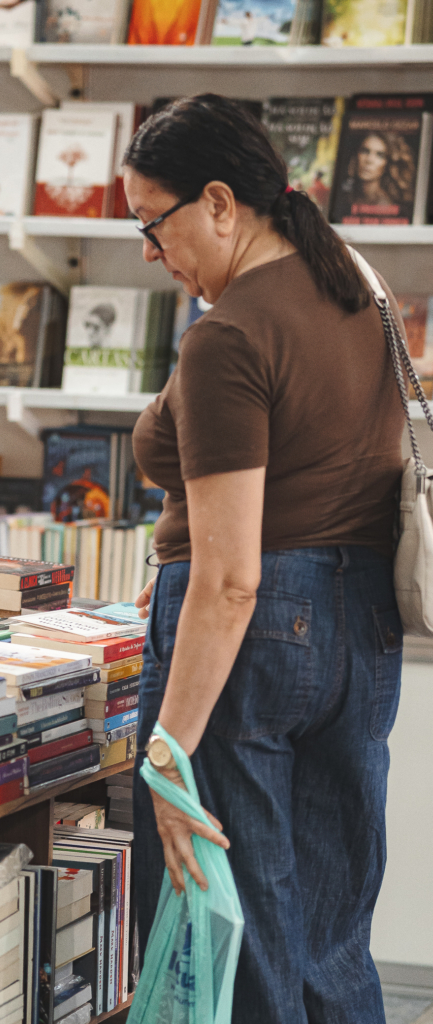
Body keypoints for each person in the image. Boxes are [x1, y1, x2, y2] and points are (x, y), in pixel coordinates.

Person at [124, 93, 405, 1024]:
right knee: (331, 937)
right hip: (361, 625)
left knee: (240, 935)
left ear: (216, 201)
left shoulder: (232, 336)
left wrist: (167, 753)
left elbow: (232, 575)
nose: (150, 252)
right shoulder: (359, 290)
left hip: (253, 639)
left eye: (151, 224)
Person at [335, 130, 415, 219]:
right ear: (356, 155)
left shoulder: (388, 205)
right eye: (365, 151)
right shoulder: (344, 200)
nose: (369, 160)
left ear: (388, 164)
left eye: (380, 155)